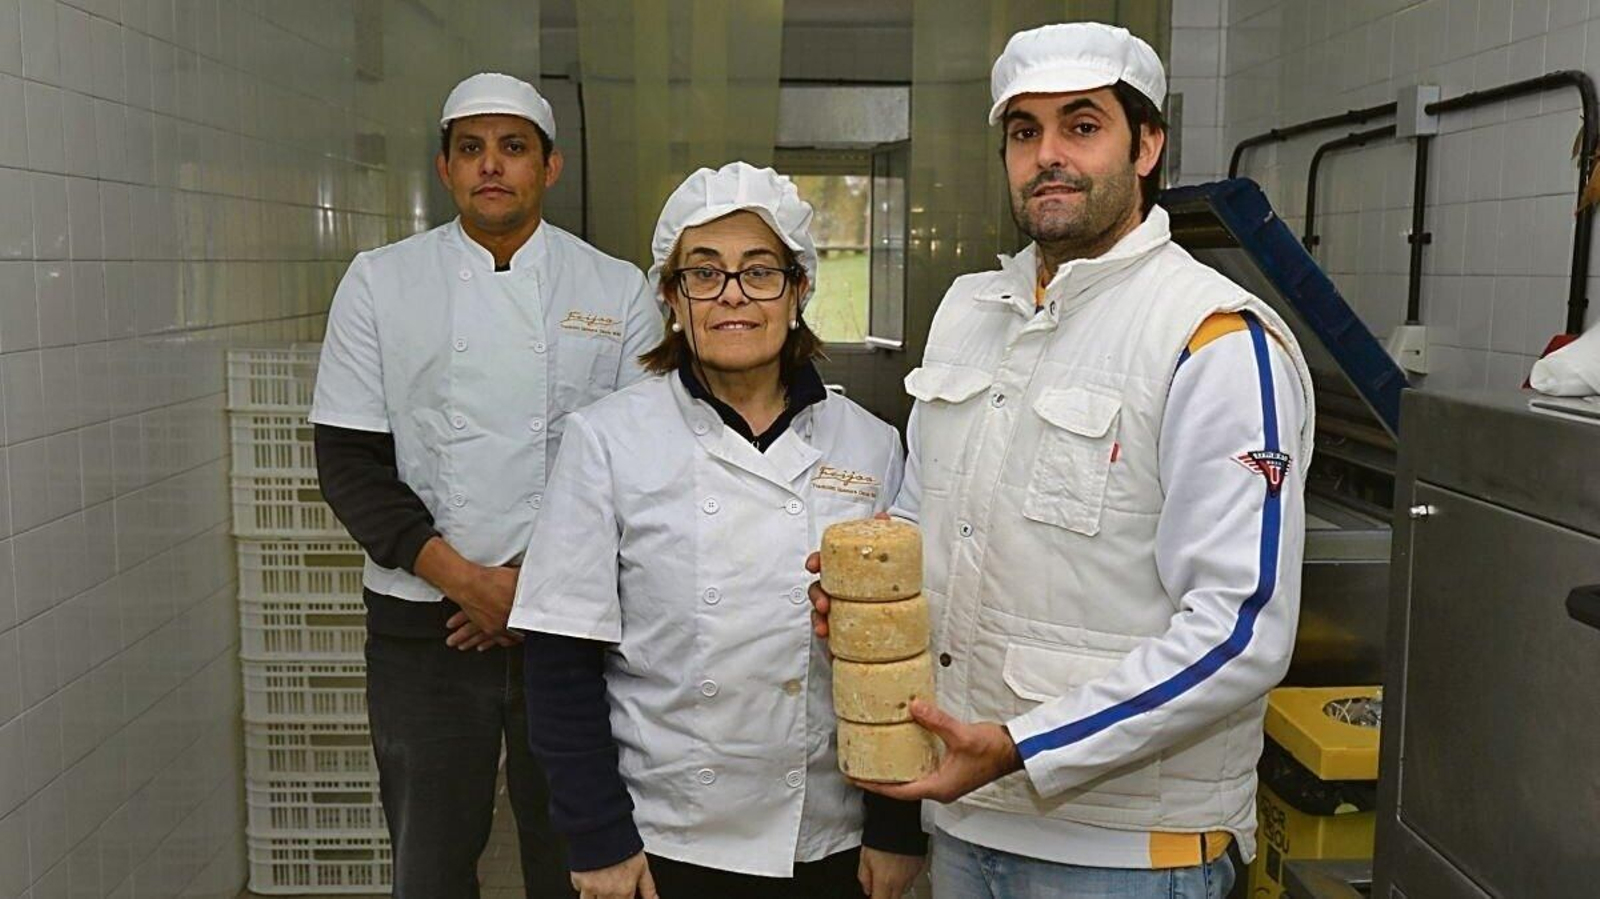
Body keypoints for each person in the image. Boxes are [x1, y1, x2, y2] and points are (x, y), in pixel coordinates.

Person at [807, 22, 1316, 898]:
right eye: (1024, 132)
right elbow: (931, 522)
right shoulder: (971, 311)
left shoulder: (1213, 337)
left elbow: (1241, 630)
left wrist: (1021, 746)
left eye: (1082, 126)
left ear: (1147, 145)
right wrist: (869, 600)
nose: (1049, 156)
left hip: (1126, 850)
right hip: (964, 822)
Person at [509, 162, 928, 899]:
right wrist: (597, 836)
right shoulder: (606, 441)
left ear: (799, 292)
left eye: (760, 272)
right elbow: (559, 660)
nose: (732, 294)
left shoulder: (871, 445)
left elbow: (892, 657)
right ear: (672, 298)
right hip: (664, 835)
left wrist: (896, 827)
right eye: (703, 274)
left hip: (828, 834)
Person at [309, 72, 662, 898]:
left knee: (578, 854)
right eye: (471, 149)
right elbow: (350, 461)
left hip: (573, 626)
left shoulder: (614, 289)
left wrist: (529, 593)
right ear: (445, 169)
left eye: (512, 148)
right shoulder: (379, 282)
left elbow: (642, 465)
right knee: (428, 861)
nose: (491, 166)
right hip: (422, 625)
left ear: (551, 166)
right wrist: (467, 583)